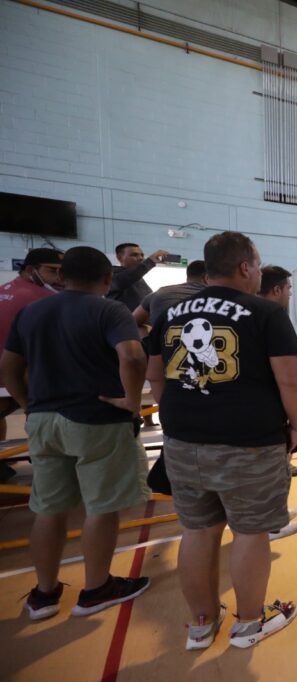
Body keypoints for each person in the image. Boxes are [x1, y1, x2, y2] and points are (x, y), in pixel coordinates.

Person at [147, 231, 297, 650]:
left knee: (197, 531)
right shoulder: (265, 312)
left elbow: (155, 374)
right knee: (250, 532)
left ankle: (201, 625)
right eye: (258, 264)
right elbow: (292, 380)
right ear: (245, 267)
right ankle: (249, 623)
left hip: (182, 442)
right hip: (249, 442)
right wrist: (295, 428)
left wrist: (181, 413)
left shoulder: (171, 311)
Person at [0, 246, 151, 621]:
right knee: (101, 507)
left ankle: (44, 594)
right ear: (108, 278)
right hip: (97, 420)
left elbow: (8, 367)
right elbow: (133, 356)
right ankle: (97, 588)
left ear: (63, 276)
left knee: (48, 509)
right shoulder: (109, 310)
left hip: (43, 420)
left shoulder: (32, 312)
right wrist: (132, 402)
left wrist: (30, 405)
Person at [258, 264, 297, 533]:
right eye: (288, 288)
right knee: (271, 471)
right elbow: (292, 380)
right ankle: (272, 526)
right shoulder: (272, 314)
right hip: (269, 412)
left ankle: (276, 514)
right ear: (277, 290)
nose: (290, 293)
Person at [0, 248, 64, 446]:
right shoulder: (44, 298)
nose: (59, 278)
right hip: (21, 375)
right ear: (30, 270)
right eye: (52, 271)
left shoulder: (4, 290)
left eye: (62, 271)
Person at [133, 260, 207, 329]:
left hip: (162, 338)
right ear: (205, 278)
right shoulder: (211, 296)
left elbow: (132, 321)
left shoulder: (160, 292)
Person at [107, 243, 170, 312]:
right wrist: (151, 261)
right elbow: (128, 277)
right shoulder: (112, 276)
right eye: (134, 255)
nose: (140, 258)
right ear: (119, 257)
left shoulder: (137, 279)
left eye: (142, 255)